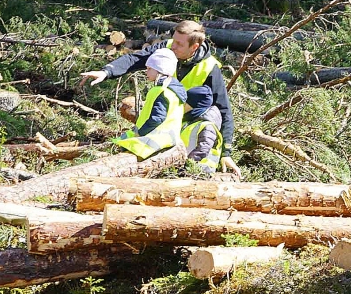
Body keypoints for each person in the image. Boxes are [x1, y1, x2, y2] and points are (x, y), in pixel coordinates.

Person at [83, 20, 241, 178]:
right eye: (174, 40)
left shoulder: (209, 68)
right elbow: (135, 59)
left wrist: (226, 153)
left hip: (189, 128)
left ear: (194, 47)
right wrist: (106, 72)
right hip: (164, 122)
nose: (173, 46)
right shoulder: (167, 47)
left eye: (179, 44)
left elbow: (224, 109)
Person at [113, 48, 187, 159]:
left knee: (124, 147)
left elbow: (157, 119)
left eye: (149, 69)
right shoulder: (174, 91)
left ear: (159, 70)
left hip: (155, 141)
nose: (146, 72)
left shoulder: (161, 91)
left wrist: (141, 132)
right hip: (169, 139)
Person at [181, 86, 223, 172]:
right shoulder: (189, 122)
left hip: (202, 171)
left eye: (186, 102)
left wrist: (187, 165)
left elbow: (203, 149)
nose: (183, 104)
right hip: (186, 169)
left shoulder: (207, 126)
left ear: (195, 105)